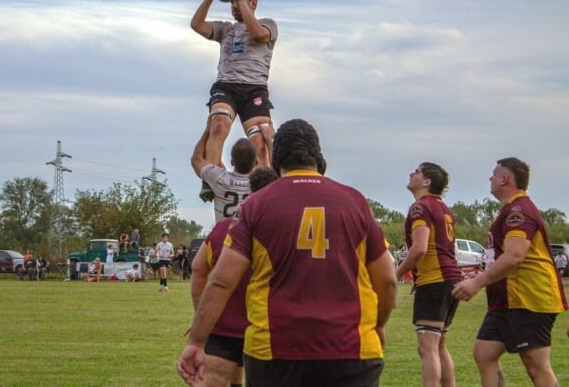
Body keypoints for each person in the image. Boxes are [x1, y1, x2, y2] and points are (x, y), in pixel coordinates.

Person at [178, 119, 397, 387]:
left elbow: (222, 280)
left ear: (278, 158)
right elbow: (387, 279)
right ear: (319, 157)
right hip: (351, 347)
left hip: (275, 349)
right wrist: (378, 325)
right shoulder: (355, 202)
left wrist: (197, 341)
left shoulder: (256, 205)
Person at [452, 158, 567, 387]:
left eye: (494, 174)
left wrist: (477, 283)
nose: (490, 179)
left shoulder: (519, 210)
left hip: (529, 298)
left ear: (505, 179)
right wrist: (479, 276)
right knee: (484, 353)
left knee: (536, 365)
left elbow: (515, 255)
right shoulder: (508, 210)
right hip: (506, 300)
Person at [190, 0, 278, 201]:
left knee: (260, 141)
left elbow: (258, 34)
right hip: (226, 86)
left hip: (254, 89)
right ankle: (209, 180)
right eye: (232, 4)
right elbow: (196, 24)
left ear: (253, 3)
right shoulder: (225, 29)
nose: (235, 8)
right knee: (218, 124)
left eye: (240, 2)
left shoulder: (268, 25)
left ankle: (264, 192)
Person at [189, 166, 279, 387]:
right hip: (267, 326)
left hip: (223, 325)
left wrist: (202, 313)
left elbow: (198, 268)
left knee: (215, 380)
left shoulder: (223, 228)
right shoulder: (284, 229)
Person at [395, 163, 462, 387]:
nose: (410, 173)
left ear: (426, 182)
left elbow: (420, 248)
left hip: (435, 280)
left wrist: (395, 275)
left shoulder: (420, 207)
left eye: (416, 172)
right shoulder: (443, 207)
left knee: (427, 347)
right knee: (438, 345)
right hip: (449, 279)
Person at [191, 118, 257, 223]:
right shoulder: (260, 184)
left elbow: (196, 159)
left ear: (231, 161)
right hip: (247, 237)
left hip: (223, 236)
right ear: (256, 163)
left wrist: (208, 130)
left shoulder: (220, 178)